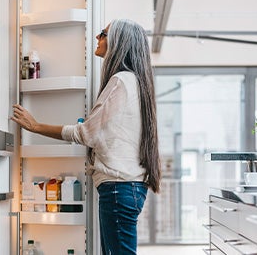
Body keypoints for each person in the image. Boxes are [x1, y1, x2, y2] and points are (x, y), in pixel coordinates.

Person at [11, 19, 161, 255]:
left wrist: (36, 126)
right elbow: (106, 131)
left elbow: (87, 134)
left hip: (118, 189)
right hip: (126, 187)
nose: (97, 38)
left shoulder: (120, 81)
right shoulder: (134, 81)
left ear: (119, 43)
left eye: (103, 34)